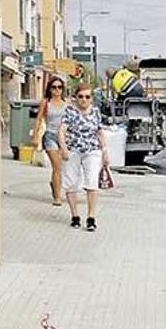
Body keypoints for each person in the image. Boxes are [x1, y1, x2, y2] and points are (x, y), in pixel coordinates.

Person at [58, 83, 110, 232]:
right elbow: (61, 130)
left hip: (92, 151)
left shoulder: (95, 112)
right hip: (73, 150)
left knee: (92, 182)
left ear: (91, 99)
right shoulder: (70, 111)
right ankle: (75, 216)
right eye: (81, 96)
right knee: (71, 182)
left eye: (87, 97)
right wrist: (63, 148)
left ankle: (91, 217)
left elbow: (100, 132)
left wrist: (105, 151)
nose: (84, 100)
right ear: (76, 97)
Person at [31, 77, 69, 206]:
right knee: (57, 166)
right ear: (50, 89)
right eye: (54, 87)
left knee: (61, 168)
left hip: (64, 138)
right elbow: (38, 119)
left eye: (59, 87)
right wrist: (35, 137)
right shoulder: (46, 102)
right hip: (50, 136)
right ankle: (57, 197)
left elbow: (71, 121)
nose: (57, 90)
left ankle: (55, 184)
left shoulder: (66, 103)